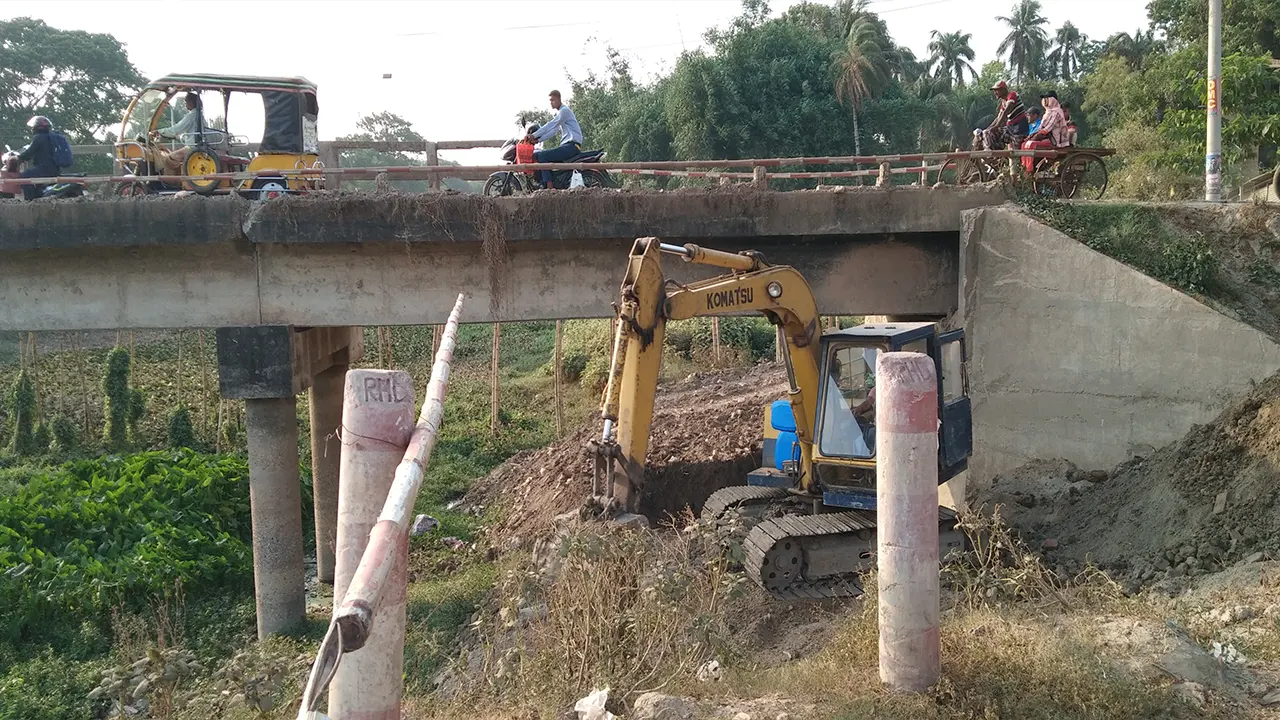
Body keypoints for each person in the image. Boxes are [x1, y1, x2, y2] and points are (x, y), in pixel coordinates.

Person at [527, 90, 583, 189]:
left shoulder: (564, 111)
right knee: (542, 155)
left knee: (542, 156)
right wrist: (538, 140)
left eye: (553, 100)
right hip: (569, 146)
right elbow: (553, 131)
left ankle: (549, 187)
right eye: (550, 100)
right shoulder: (562, 114)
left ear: (559, 99)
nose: (551, 102)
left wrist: (534, 135)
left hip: (571, 146)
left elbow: (551, 124)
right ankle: (548, 183)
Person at [151, 92, 204, 176]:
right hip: (196, 145)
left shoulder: (191, 115)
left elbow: (176, 129)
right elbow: (191, 136)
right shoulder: (199, 115)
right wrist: (176, 137)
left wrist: (159, 131)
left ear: (191, 102)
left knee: (169, 158)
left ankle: (172, 182)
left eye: (186, 101)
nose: (185, 104)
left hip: (192, 148)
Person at [1021, 91, 1069, 174]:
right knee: (1024, 144)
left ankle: (1029, 170)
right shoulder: (1048, 112)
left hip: (1055, 141)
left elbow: (1048, 128)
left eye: (1047, 98)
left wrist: (1037, 136)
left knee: (1031, 144)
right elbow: (1040, 127)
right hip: (1048, 138)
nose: (1045, 101)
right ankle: (1024, 167)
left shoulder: (1057, 112)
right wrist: (1032, 135)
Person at [17, 116, 59, 201]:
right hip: (55, 169)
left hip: (44, 168)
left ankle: (30, 201)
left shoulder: (39, 137)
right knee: (32, 174)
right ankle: (38, 196)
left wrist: (19, 158)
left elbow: (29, 153)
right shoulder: (52, 137)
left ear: (36, 127)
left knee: (24, 176)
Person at [982, 80, 1029, 152]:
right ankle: (993, 154)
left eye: (997, 90)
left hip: (1019, 127)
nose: (995, 93)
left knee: (1016, 151)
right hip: (1010, 128)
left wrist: (997, 125)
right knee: (989, 134)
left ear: (1003, 90)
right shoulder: (1003, 102)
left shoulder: (1012, 95)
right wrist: (989, 128)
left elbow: (1006, 111)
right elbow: (999, 117)